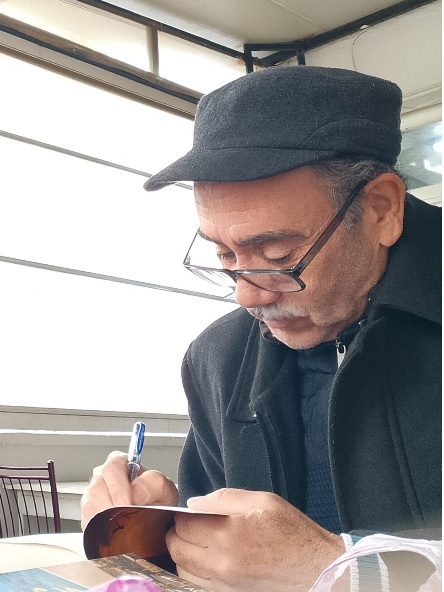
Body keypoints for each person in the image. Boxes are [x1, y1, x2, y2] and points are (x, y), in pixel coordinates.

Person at [81, 66, 441, 592]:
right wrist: (159, 534)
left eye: (277, 255)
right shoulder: (218, 359)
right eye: (225, 256)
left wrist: (342, 571)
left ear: (381, 210)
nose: (247, 296)